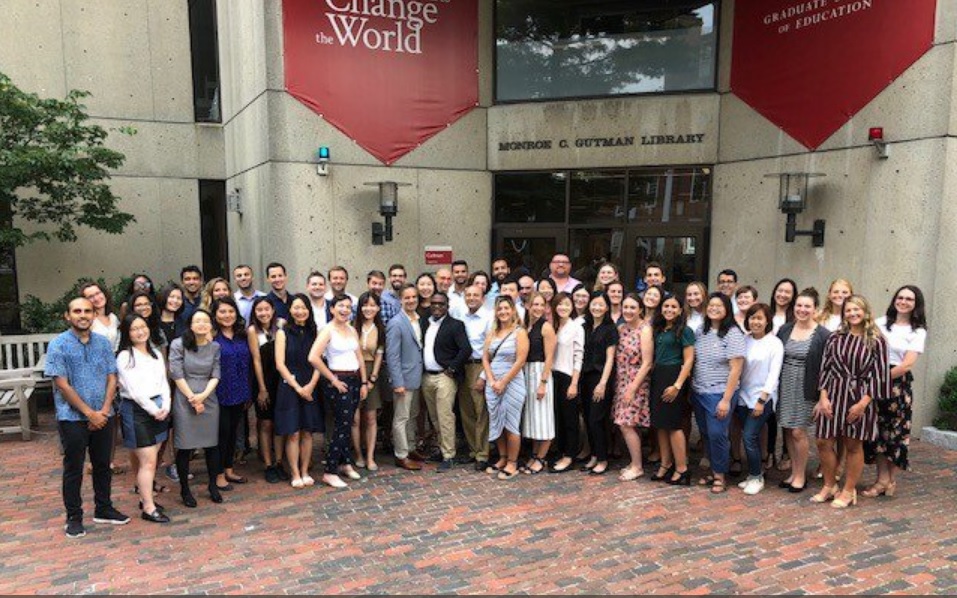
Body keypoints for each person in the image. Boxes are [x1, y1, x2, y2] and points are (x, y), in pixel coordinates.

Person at [46, 297, 128, 538]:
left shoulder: (102, 343)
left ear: (94, 314)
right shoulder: (58, 345)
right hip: (72, 417)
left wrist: (103, 410)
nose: (83, 315)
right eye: (77, 311)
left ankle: (104, 508)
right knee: (74, 468)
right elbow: (62, 383)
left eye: (87, 311)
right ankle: (74, 517)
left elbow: (112, 376)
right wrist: (89, 413)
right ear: (67, 315)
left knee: (103, 464)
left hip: (104, 414)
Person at [812, 294, 891, 508]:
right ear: (844, 313)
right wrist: (823, 397)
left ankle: (848, 490)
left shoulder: (876, 340)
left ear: (865, 312)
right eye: (848, 310)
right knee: (823, 441)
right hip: (833, 394)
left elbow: (880, 375)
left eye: (857, 309)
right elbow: (826, 368)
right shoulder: (835, 337)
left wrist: (863, 404)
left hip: (860, 396)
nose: (853, 313)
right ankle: (830, 485)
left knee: (853, 444)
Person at [864, 285, 928, 498]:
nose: (903, 302)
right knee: (878, 433)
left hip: (897, 385)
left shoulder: (917, 331)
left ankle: (887, 480)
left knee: (894, 435)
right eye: (900, 297)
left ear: (916, 304)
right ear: (894, 300)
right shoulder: (880, 323)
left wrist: (880, 379)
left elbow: (907, 364)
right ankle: (884, 480)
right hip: (876, 380)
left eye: (909, 299)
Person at [115, 314, 171, 524]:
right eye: (134, 329)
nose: (140, 332)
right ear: (127, 333)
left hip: (160, 407)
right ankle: (148, 507)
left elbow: (164, 381)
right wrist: (153, 409)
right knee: (148, 461)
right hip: (137, 410)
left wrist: (166, 405)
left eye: (143, 327)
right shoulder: (125, 357)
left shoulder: (155, 353)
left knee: (152, 457)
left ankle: (145, 498)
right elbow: (133, 389)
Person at [309, 294, 368, 488]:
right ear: (332, 309)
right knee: (342, 426)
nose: (345, 310)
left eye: (348, 307)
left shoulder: (351, 329)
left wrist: (364, 382)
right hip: (338, 381)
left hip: (354, 379)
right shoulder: (327, 330)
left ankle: (345, 463)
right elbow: (313, 357)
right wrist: (333, 379)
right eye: (341, 306)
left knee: (348, 423)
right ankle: (330, 471)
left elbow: (359, 357)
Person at [776, 288, 830, 493]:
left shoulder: (823, 335)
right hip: (785, 384)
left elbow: (827, 368)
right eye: (799, 305)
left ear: (815, 309)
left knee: (799, 431)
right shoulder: (785, 329)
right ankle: (794, 472)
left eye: (807, 306)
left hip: (807, 387)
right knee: (788, 429)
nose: (802, 309)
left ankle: (800, 476)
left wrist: (823, 396)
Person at [169, 309, 224, 507]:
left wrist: (203, 396)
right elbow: (176, 373)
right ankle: (185, 489)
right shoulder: (178, 344)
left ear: (211, 325)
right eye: (197, 321)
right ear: (190, 325)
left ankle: (213, 485)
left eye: (205, 321)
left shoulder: (215, 347)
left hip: (208, 398)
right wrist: (193, 398)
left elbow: (216, 374)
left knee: (212, 445)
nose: (202, 324)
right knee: (185, 446)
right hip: (185, 398)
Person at [692, 293, 746, 494]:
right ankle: (713, 469)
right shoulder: (701, 330)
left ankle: (720, 475)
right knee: (706, 433)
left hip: (720, 393)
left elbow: (736, 368)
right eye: (711, 305)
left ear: (727, 310)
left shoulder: (733, 333)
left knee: (717, 434)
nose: (714, 309)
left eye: (719, 306)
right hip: (699, 391)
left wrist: (726, 399)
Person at [274, 294, 323, 488]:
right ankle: (294, 473)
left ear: (309, 310)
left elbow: (319, 361)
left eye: (303, 308)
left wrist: (311, 385)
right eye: (296, 307)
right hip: (289, 386)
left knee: (307, 432)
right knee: (293, 432)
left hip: (310, 384)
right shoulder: (283, 333)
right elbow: (280, 364)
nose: (300, 311)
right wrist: (297, 387)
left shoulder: (315, 332)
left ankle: (305, 471)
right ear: (290, 310)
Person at [735, 304, 784, 495]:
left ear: (767, 321)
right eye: (752, 318)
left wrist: (762, 400)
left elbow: (773, 375)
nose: (756, 322)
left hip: (762, 398)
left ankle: (757, 477)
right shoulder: (744, 340)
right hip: (742, 397)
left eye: (760, 318)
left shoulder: (774, 343)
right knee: (749, 437)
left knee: (749, 436)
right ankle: (752, 474)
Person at [420, 291, 471, 472]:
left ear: (447, 306)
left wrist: (452, 368)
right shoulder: (424, 323)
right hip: (427, 376)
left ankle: (449, 455)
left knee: (445, 416)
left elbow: (465, 349)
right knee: (434, 417)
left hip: (445, 376)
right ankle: (442, 449)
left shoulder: (455, 325)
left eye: (441, 304)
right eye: (434, 303)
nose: (437, 307)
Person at [649, 294, 695, 485]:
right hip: (658, 376)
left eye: (673, 307)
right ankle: (665, 464)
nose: (669, 310)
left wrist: (677, 385)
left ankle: (682, 469)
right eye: (666, 306)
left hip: (674, 377)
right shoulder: (659, 329)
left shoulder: (685, 330)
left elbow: (689, 360)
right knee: (660, 424)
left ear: (680, 310)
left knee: (674, 425)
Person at [481, 296, 529, 480]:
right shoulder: (492, 332)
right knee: (497, 422)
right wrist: (491, 380)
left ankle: (512, 462)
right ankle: (502, 457)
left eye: (506, 308)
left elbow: (520, 360)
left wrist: (503, 382)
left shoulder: (519, 332)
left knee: (511, 424)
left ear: (513, 310)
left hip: (513, 383)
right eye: (500, 309)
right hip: (493, 384)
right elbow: (485, 358)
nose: (503, 312)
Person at [210, 297, 252, 491]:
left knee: (233, 432)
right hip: (219, 393)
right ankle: (218, 474)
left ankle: (228, 469)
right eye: (222, 312)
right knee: (221, 434)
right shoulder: (212, 337)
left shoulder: (242, 335)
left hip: (240, 391)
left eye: (231, 311)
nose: (227, 315)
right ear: (215, 315)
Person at [386, 284, 426, 471]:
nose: (411, 300)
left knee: (412, 415)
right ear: (400, 300)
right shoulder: (396, 323)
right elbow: (392, 355)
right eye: (407, 297)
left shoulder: (418, 319)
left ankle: (410, 448)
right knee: (401, 418)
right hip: (403, 379)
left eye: (414, 297)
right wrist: (398, 382)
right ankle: (401, 455)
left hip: (416, 377)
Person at [579, 291, 619, 476]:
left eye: (601, 304)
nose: (596, 307)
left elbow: (610, 358)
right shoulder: (585, 326)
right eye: (594, 304)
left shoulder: (610, 329)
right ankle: (595, 455)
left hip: (600, 377)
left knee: (597, 419)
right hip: (585, 377)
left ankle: (603, 459)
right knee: (588, 418)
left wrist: (603, 383)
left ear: (607, 307)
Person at [248, 296, 285, 483]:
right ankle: (268, 464)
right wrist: (262, 388)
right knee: (265, 423)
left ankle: (279, 462)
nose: (263, 313)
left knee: (279, 423)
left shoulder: (280, 326)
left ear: (273, 310)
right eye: (259, 310)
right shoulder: (252, 331)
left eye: (266, 309)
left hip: (281, 381)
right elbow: (256, 360)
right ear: (254, 312)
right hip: (263, 381)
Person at [520, 292, 557, 474]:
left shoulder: (546, 327)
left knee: (544, 418)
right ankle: (534, 455)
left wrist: (543, 382)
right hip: (527, 373)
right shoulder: (525, 326)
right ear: (528, 306)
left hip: (540, 372)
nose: (538, 308)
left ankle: (541, 458)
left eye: (542, 305)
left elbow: (550, 357)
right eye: (535, 304)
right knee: (533, 419)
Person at [458, 285, 493, 469]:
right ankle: (473, 450)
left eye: (475, 295)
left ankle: (483, 454)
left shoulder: (488, 317)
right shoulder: (461, 317)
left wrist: (483, 376)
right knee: (467, 411)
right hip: (463, 367)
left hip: (479, 366)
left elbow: (490, 350)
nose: (471, 298)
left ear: (483, 298)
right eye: (468, 294)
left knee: (481, 412)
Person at [549, 292, 584, 473]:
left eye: (567, 304)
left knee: (570, 419)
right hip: (552, 376)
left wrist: (574, 383)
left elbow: (579, 356)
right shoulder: (553, 326)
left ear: (572, 307)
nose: (563, 307)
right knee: (557, 418)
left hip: (568, 377)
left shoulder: (576, 327)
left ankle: (570, 456)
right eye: (560, 304)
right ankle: (560, 451)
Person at [352, 292, 385, 471]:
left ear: (378, 308)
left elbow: (379, 355)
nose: (368, 309)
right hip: (353, 372)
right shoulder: (352, 326)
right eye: (365, 305)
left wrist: (373, 378)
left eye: (372, 305)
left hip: (372, 371)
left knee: (371, 417)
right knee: (355, 419)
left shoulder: (380, 328)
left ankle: (371, 456)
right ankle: (358, 454)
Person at [81, 282, 120, 351]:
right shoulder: (86, 321)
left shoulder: (113, 317)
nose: (96, 298)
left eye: (98, 293)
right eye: (90, 297)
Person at [157, 284, 186, 348]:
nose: (175, 301)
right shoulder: (154, 323)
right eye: (171, 297)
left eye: (179, 298)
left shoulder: (183, 323)